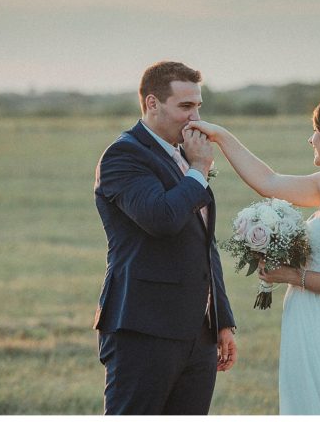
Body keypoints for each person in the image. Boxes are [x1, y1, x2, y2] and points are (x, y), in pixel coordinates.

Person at [187, 91, 320, 415]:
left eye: (316, 132)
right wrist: (221, 137)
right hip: (306, 319)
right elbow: (268, 181)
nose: (310, 139)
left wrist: (291, 275)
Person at [93, 61, 237, 415]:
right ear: (152, 103)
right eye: (185, 107)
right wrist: (200, 169)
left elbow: (204, 242)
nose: (195, 118)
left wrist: (222, 319)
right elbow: (162, 219)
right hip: (144, 328)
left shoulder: (184, 155)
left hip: (197, 333)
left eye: (198, 106)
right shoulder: (124, 155)